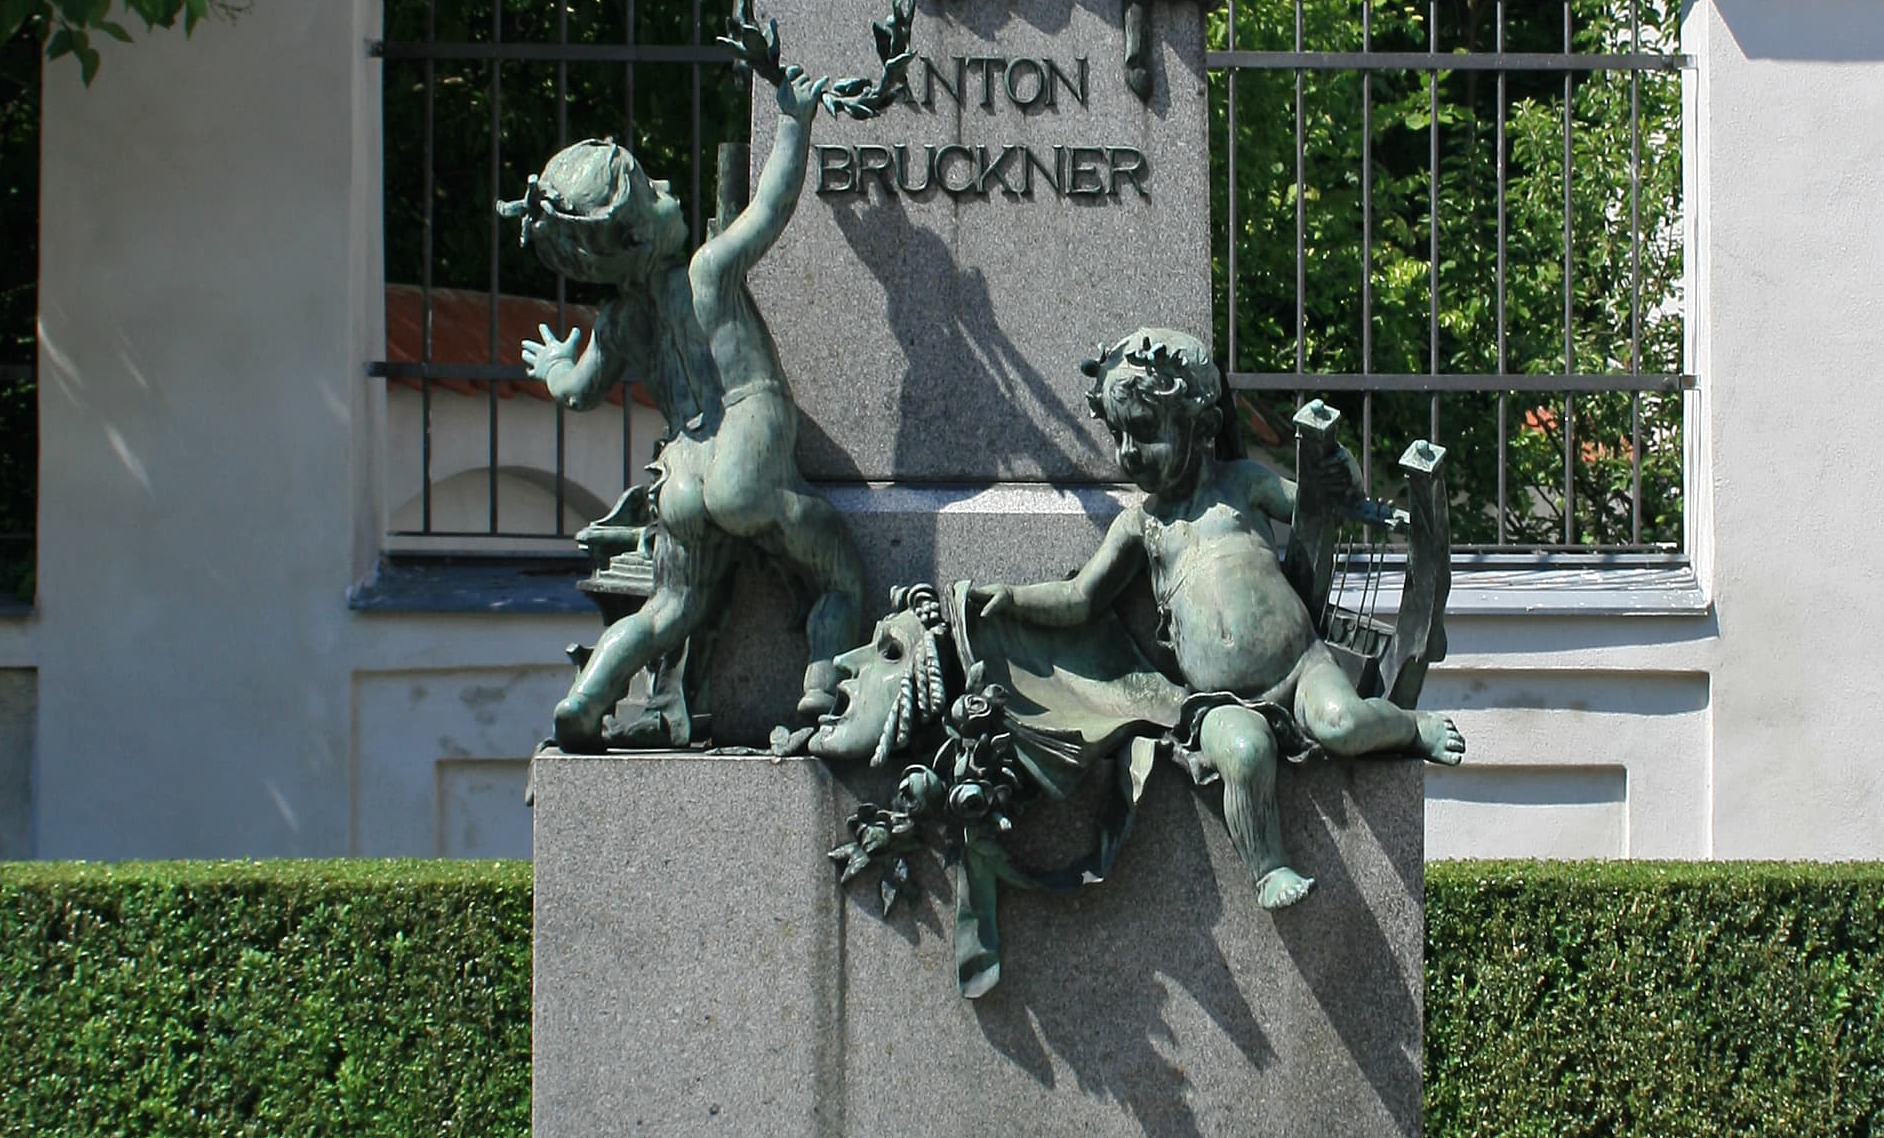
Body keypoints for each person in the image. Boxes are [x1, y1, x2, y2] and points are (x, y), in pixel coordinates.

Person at [970, 327, 1464, 910]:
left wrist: (1341, 474)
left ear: (1201, 427)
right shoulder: (1141, 525)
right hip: (1216, 703)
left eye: (1145, 431)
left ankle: (1409, 726)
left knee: (1344, 723)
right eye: (1119, 434)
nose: (1129, 452)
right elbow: (1081, 597)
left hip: (1302, 666)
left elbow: (1317, 505)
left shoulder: (1243, 484)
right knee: (1246, 755)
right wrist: (1014, 597)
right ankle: (1269, 866)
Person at [509, 59, 865, 749]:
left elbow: (578, 394)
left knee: (668, 608)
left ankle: (589, 696)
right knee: (836, 568)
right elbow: (772, 206)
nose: (670, 188)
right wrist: (794, 122)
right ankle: (822, 679)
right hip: (743, 434)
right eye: (656, 191)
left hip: (681, 470)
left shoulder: (618, 322)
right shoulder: (706, 273)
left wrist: (554, 365)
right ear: (643, 234)